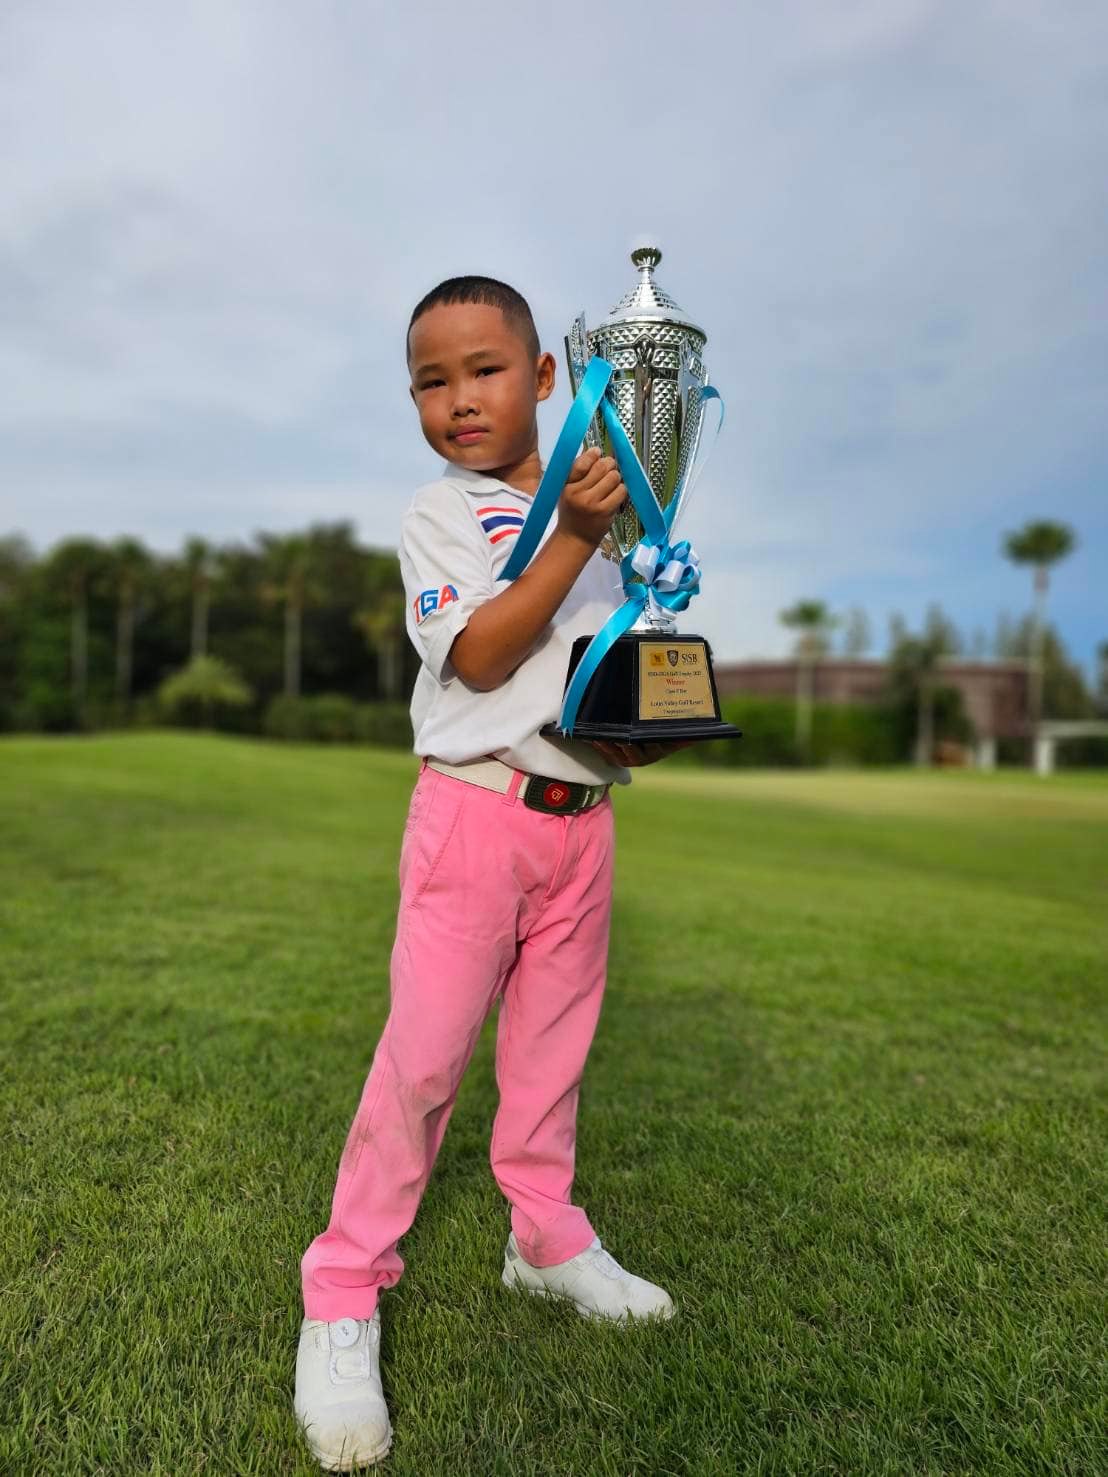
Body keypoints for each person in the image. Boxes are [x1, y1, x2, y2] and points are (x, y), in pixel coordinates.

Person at [293, 276, 688, 1471]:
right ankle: (343, 1284)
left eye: (485, 370)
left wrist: (645, 728)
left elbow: (589, 683)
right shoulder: (445, 511)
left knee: (551, 1059)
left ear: (549, 379)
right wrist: (568, 535)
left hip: (581, 823)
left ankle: (545, 1239)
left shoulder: (610, 523)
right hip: (474, 817)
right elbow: (473, 655)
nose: (459, 398)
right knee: (423, 1064)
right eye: (431, 379)